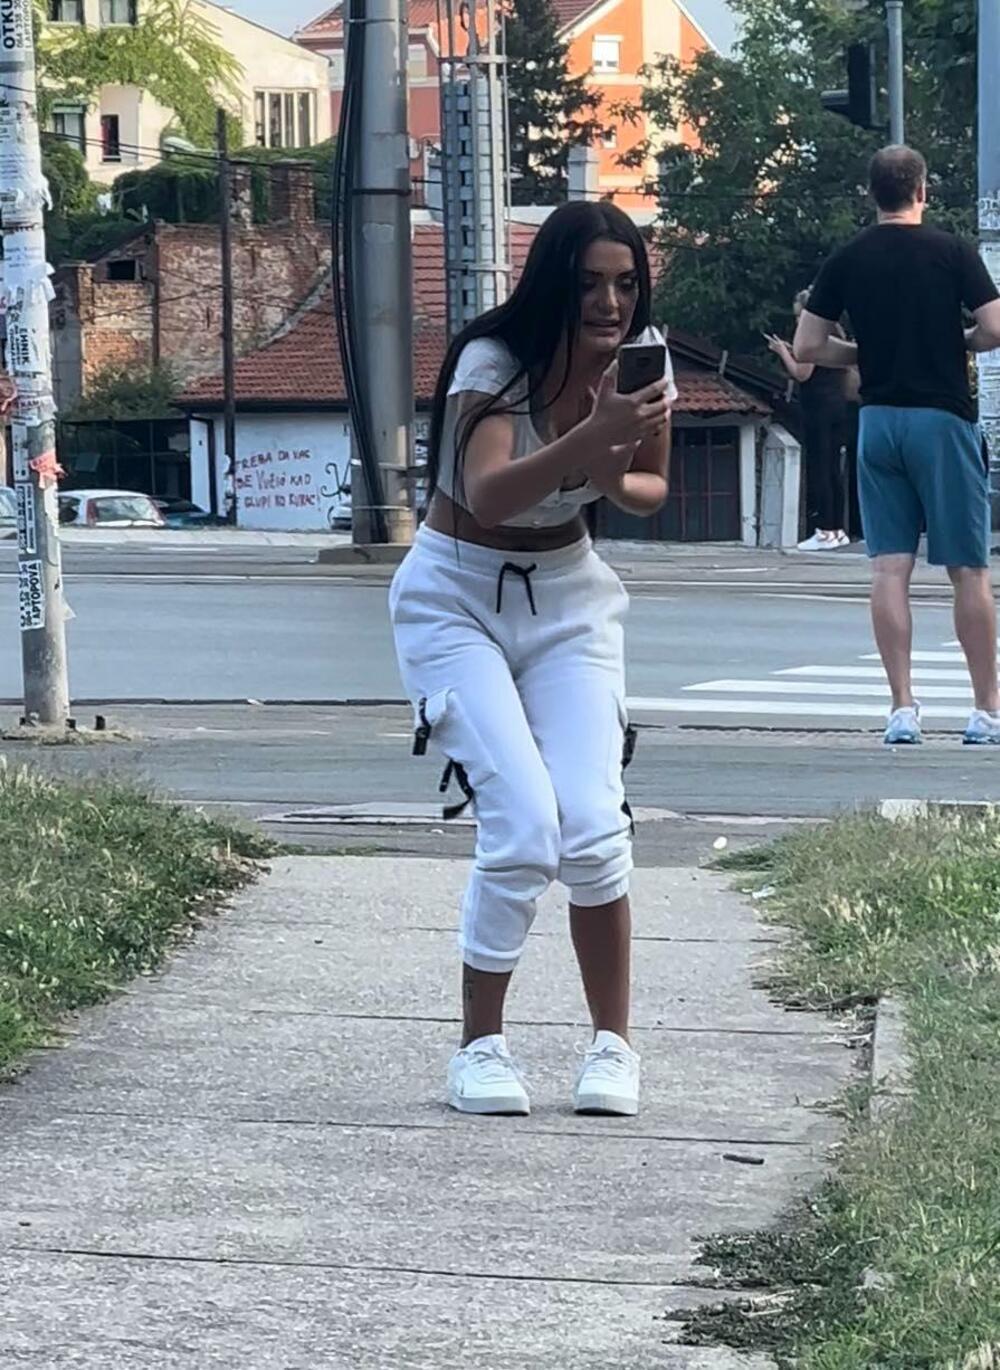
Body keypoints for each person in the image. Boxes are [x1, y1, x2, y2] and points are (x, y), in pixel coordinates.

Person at [389, 201, 674, 1116]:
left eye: (625, 283)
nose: (609, 303)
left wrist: (610, 465)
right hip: (455, 594)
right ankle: (479, 1049)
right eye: (589, 283)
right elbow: (488, 493)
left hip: (568, 598)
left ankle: (613, 1048)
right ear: (554, 281)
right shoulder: (494, 362)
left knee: (591, 825)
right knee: (521, 827)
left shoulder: (642, 360)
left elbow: (650, 487)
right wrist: (589, 439)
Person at [794, 144, 1000, 746]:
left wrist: (863, 352)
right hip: (942, 420)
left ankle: (902, 708)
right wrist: (957, 340)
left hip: (879, 422)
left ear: (872, 194)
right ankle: (986, 710)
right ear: (923, 190)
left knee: (889, 567)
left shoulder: (849, 257)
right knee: (968, 571)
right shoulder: (952, 251)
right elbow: (994, 327)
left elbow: (807, 347)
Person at [767, 289, 853, 550]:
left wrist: (782, 352)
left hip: (818, 407)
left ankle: (824, 530)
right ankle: (837, 529)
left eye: (798, 317)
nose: (797, 322)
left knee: (820, 468)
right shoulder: (836, 335)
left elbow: (802, 372)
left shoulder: (812, 337)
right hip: (837, 404)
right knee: (834, 470)